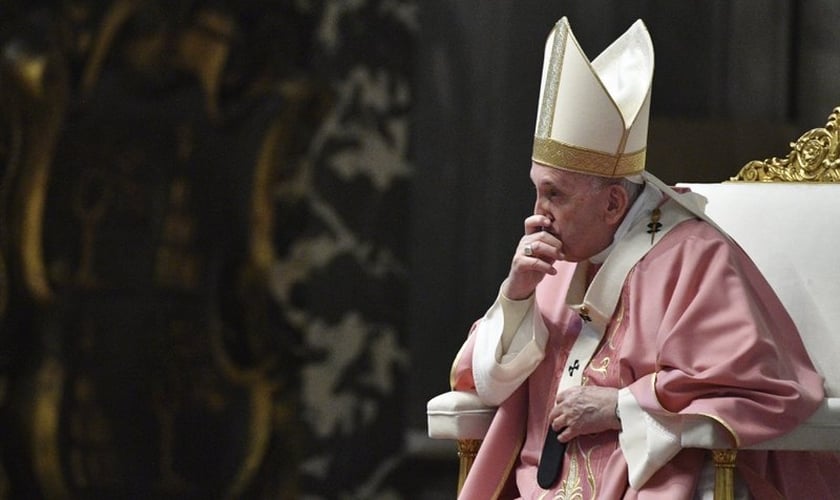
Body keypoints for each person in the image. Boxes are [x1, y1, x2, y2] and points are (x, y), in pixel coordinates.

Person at [449, 17, 840, 499]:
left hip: (648, 483)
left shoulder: (695, 258)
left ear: (613, 203)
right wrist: (515, 298)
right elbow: (486, 386)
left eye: (555, 195)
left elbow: (760, 385)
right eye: (536, 190)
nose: (538, 215)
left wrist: (620, 405)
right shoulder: (558, 258)